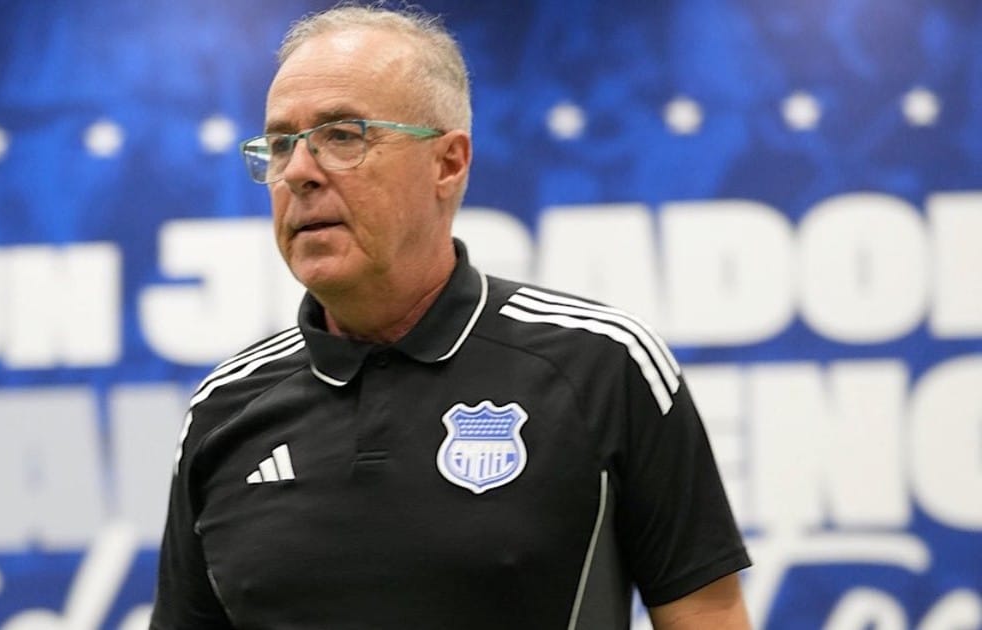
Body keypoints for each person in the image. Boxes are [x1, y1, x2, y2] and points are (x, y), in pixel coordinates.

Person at [151, 4, 752, 629]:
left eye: (343, 136)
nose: (299, 172)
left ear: (448, 163)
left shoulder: (602, 365)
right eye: (280, 145)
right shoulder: (225, 409)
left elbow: (706, 614)